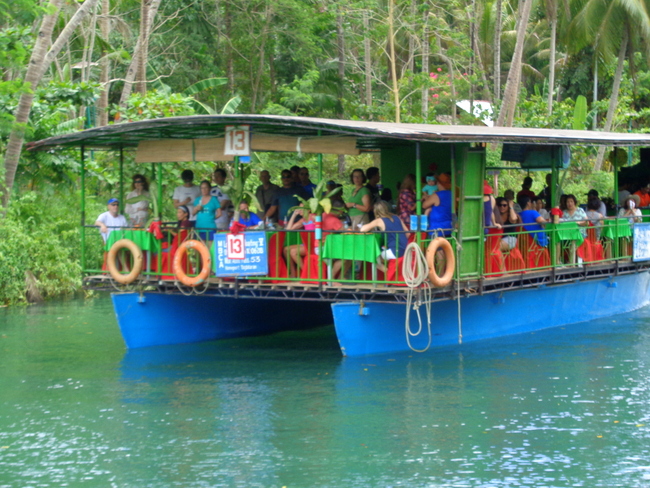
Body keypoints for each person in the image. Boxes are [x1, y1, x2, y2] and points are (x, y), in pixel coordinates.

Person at [284, 206, 342, 277]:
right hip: (307, 244)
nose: (299, 210)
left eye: (302, 208)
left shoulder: (314, 217)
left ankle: (306, 272)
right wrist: (294, 215)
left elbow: (321, 223)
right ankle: (293, 272)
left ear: (308, 210)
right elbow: (288, 229)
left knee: (293, 252)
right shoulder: (303, 220)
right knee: (286, 249)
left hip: (315, 244)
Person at [359, 200, 409, 272]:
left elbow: (363, 229)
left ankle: (390, 274)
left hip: (395, 251)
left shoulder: (379, 220)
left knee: (374, 258)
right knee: (382, 252)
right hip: (406, 248)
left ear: (375, 211)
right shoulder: (396, 217)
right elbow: (408, 233)